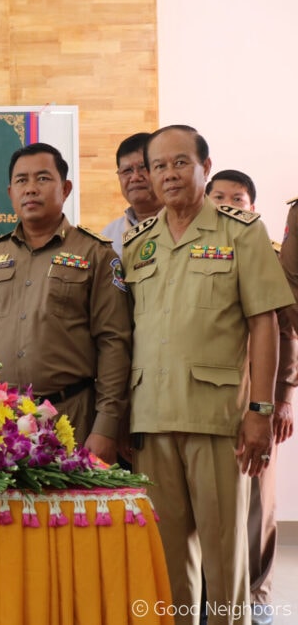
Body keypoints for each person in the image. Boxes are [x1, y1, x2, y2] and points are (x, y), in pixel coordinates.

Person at [122, 126, 294, 625]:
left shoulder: (241, 232)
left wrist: (260, 410)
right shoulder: (138, 244)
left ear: (205, 167)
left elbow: (265, 323)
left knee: (224, 558)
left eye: (180, 162)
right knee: (168, 559)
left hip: (217, 419)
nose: (169, 174)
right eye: (158, 166)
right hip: (152, 418)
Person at [0, 143, 132, 465]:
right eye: (21, 181)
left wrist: (106, 426)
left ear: (65, 189)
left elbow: (114, 343)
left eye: (42, 178)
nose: (31, 189)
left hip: (71, 418)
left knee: (69, 500)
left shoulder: (95, 253)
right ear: (10, 192)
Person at [206, 169, 298, 624]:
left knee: (258, 503)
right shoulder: (199, 253)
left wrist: (283, 397)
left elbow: (286, 331)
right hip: (209, 397)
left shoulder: (269, 256)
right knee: (210, 502)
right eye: (218, 196)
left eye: (237, 198)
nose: (227, 204)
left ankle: (256, 600)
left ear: (252, 207)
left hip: (258, 397)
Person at [101, 132, 162, 255]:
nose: (135, 177)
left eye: (143, 167)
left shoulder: (181, 225)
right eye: (127, 170)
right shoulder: (109, 236)